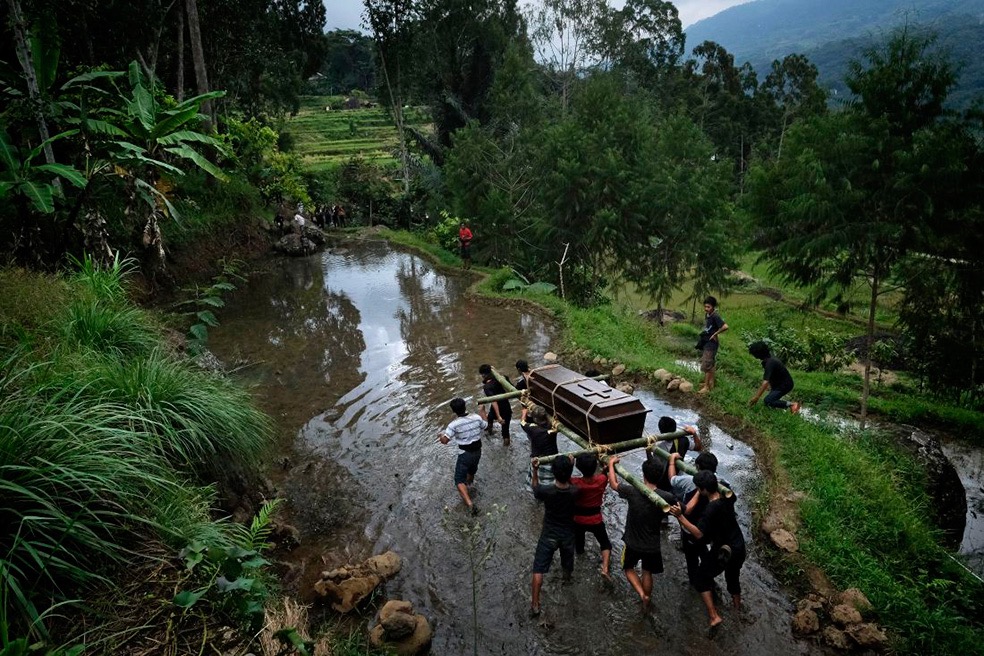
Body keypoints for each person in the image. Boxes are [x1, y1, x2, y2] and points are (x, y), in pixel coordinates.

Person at [669, 471, 746, 629]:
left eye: (698, 489)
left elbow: (698, 533)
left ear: (703, 490)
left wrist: (680, 517)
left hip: (722, 549)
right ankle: (737, 609)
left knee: (701, 579)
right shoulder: (728, 496)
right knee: (733, 577)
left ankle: (714, 616)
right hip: (738, 545)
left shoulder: (710, 510)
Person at [607, 455, 675, 611]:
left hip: (632, 542)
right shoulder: (665, 497)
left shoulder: (632, 490)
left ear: (643, 474)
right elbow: (682, 510)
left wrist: (611, 464)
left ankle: (641, 594)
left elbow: (613, 484)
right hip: (652, 545)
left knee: (628, 568)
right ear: (660, 475)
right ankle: (647, 598)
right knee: (647, 572)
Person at [667, 451, 733, 586]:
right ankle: (708, 576)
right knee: (705, 550)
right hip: (712, 531)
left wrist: (672, 461)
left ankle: (697, 584)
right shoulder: (723, 485)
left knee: (691, 558)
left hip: (692, 529)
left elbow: (672, 480)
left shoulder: (691, 481)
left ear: (698, 467)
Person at [530, 456, 579, 617]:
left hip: (549, 535)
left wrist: (535, 470)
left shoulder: (547, 491)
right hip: (567, 535)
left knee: (538, 569)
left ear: (553, 472)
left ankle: (535, 605)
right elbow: (570, 483)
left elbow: (535, 488)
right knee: (567, 565)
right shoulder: (575, 491)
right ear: (569, 473)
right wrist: (570, 466)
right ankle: (566, 581)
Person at [438, 397, 485, 516]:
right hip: (478, 451)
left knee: (458, 480)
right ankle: (469, 486)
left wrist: (441, 435)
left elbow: (445, 441)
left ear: (454, 411)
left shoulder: (453, 425)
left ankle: (470, 504)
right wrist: (482, 412)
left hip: (465, 454)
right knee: (472, 471)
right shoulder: (476, 417)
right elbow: (485, 426)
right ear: (465, 406)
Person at [571, 454, 612, 579]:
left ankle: (580, 559)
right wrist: (608, 466)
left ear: (578, 468)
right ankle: (605, 568)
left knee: (579, 545)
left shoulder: (574, 482)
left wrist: (570, 463)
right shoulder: (601, 480)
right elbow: (605, 475)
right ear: (595, 467)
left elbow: (564, 478)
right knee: (605, 544)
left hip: (578, 519)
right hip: (595, 519)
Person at [747, 341, 800, 413]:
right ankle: (775, 406)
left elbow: (765, 382)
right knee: (770, 401)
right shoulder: (769, 359)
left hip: (785, 385)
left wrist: (756, 397)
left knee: (768, 401)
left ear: (758, 354)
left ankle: (792, 404)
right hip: (779, 383)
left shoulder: (770, 363)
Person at [697, 296, 728, 394]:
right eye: (705, 307)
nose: (706, 309)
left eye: (708, 307)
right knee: (711, 363)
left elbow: (725, 326)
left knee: (707, 364)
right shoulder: (708, 315)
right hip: (708, 342)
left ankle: (706, 387)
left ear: (713, 307)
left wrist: (715, 334)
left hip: (712, 344)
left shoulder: (715, 316)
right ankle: (711, 382)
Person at [522, 405, 558, 488]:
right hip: (552, 460)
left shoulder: (532, 429)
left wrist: (524, 413)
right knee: (553, 484)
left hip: (538, 461)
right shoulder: (553, 428)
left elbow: (522, 423)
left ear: (535, 419)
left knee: (536, 485)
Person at [479, 364, 512, 444]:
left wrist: (498, 416)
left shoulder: (487, 387)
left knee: (490, 418)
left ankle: (489, 434)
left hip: (496, 409)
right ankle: (506, 448)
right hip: (506, 407)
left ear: (483, 375)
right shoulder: (503, 378)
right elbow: (511, 388)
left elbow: (494, 401)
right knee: (505, 432)